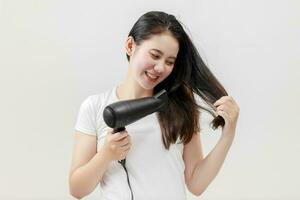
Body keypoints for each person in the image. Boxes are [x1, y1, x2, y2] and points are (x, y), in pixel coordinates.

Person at [69, 11, 240, 200]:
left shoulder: (180, 106)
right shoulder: (95, 107)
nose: (160, 68)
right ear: (130, 46)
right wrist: (106, 155)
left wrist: (228, 135)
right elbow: (77, 189)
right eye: (155, 55)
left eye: (169, 62)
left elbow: (196, 184)